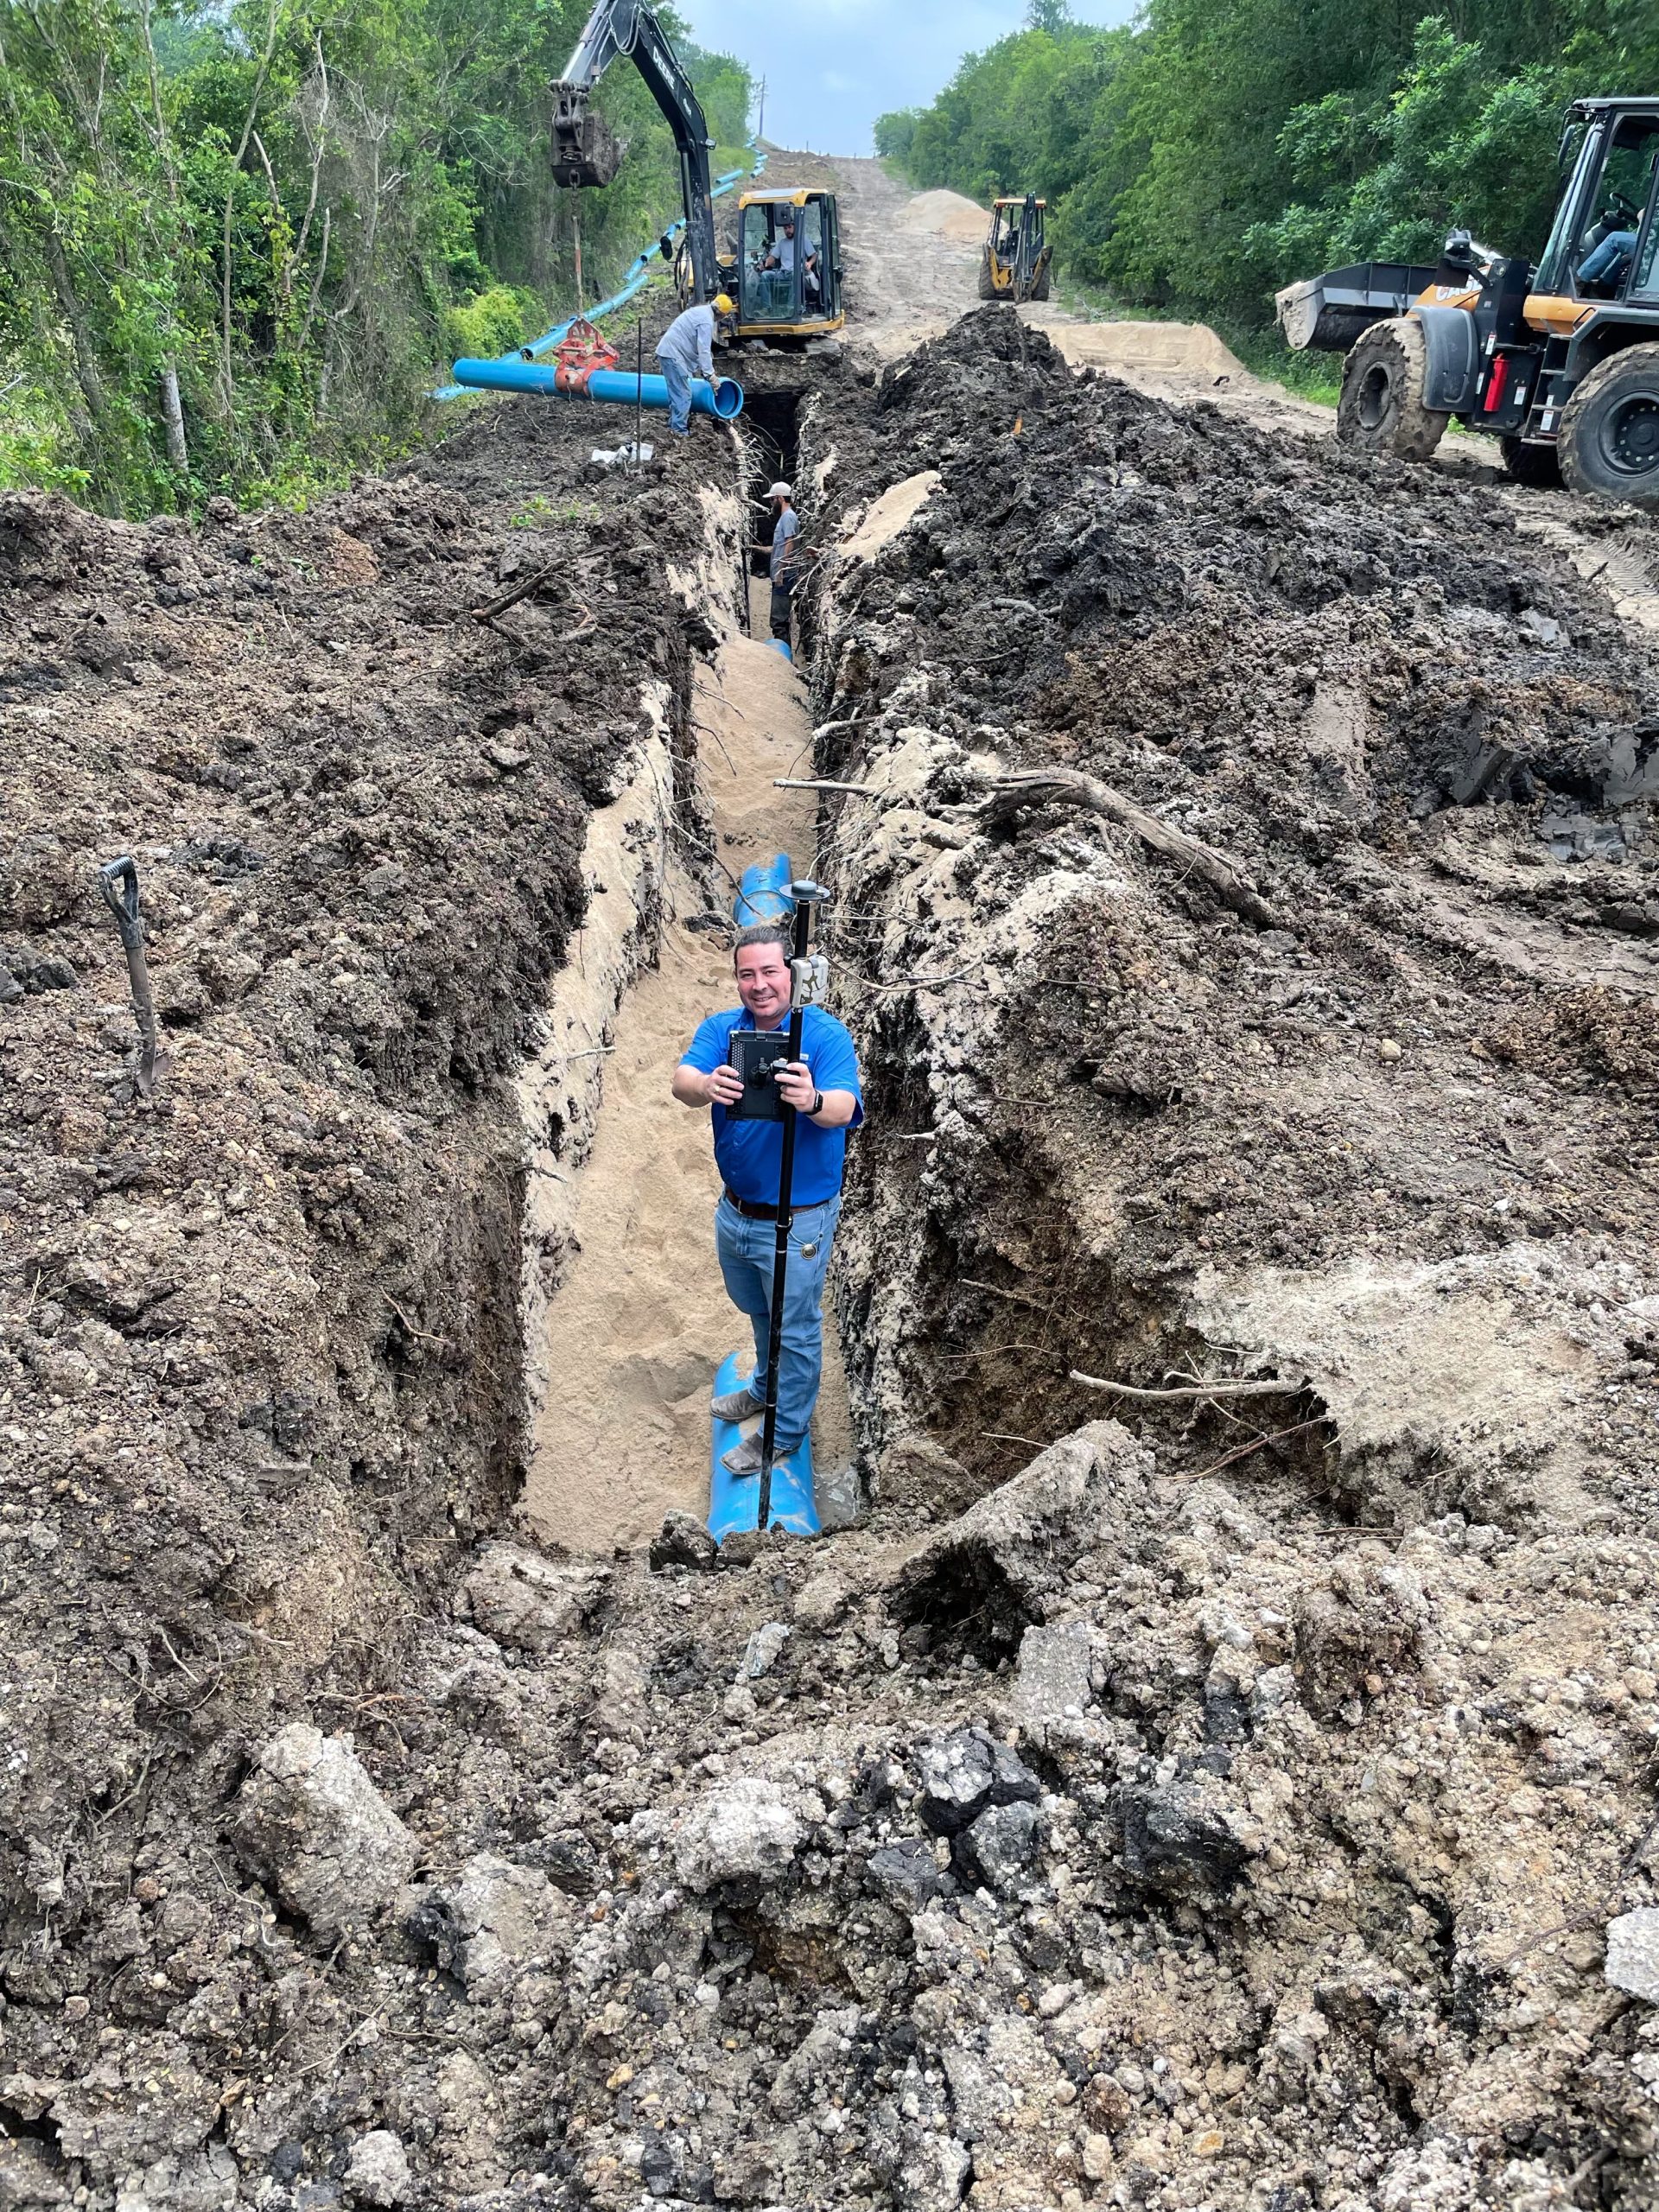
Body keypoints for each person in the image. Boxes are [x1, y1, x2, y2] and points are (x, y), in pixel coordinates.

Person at [672, 925, 862, 1477]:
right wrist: (705, 1086)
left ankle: (784, 1432)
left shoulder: (822, 1036)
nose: (759, 985)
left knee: (795, 1326)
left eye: (770, 972)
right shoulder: (722, 1030)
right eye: (746, 973)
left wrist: (813, 1098)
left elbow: (846, 1107)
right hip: (736, 1211)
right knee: (759, 1310)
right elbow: (682, 1079)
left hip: (797, 1223)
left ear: (793, 974)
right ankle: (762, 1387)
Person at [654, 293, 734, 437]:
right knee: (683, 394)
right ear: (722, 314)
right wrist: (710, 375)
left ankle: (674, 426)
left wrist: (706, 367)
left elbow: (700, 348)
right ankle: (679, 432)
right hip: (672, 355)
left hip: (669, 352)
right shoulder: (706, 321)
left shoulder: (701, 311)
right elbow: (703, 350)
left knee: (677, 393)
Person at [753, 481, 799, 643]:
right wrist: (755, 548)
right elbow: (778, 547)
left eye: (772, 500)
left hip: (784, 577)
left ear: (780, 498)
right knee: (779, 618)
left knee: (779, 619)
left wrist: (780, 571)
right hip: (782, 574)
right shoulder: (785, 518)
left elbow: (789, 544)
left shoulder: (787, 518)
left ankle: (783, 658)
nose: (771, 503)